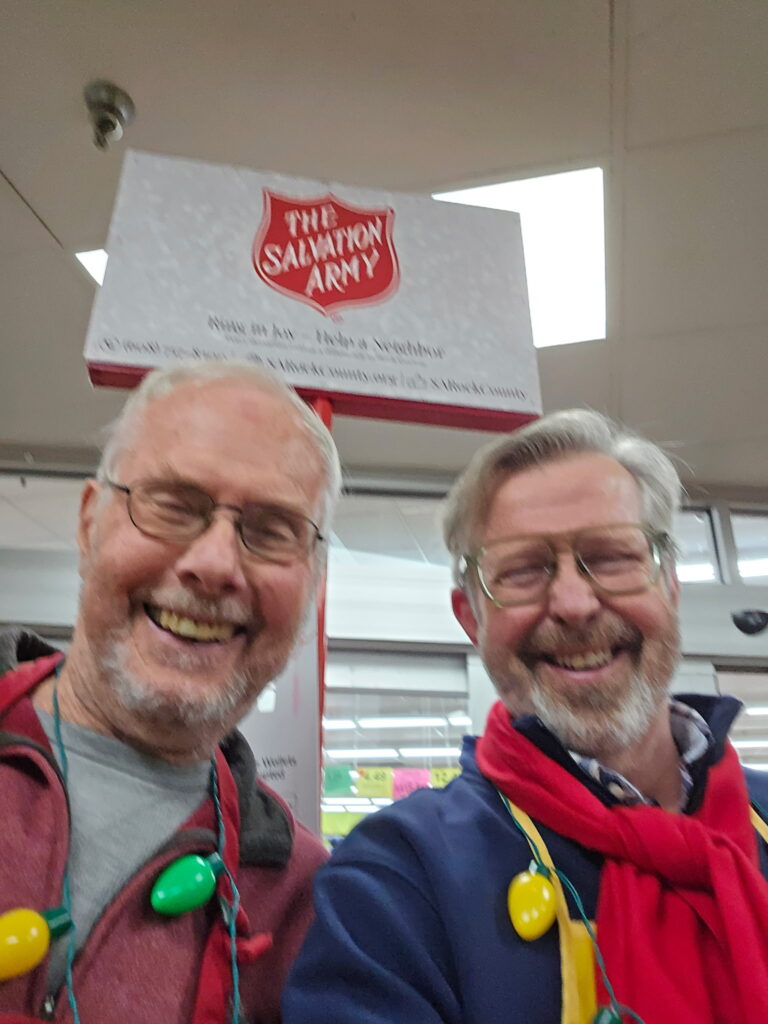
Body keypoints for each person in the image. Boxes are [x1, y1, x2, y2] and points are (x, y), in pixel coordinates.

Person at [283, 409, 768, 1024]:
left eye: (611, 556)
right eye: (523, 570)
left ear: (669, 584)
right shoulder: (396, 878)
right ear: (471, 618)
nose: (574, 603)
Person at [0, 359, 341, 1024]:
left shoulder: (301, 898)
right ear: (89, 523)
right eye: (174, 506)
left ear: (313, 585)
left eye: (273, 530)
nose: (214, 564)